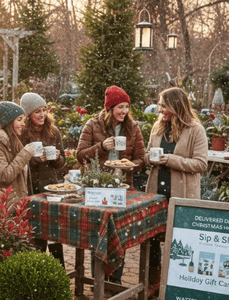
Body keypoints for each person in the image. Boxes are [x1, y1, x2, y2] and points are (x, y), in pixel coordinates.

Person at [76, 85, 146, 284]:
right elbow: (80, 156)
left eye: (126, 107)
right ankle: (98, 278)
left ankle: (114, 278)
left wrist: (129, 166)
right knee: (98, 232)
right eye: (120, 107)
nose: (124, 111)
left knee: (119, 234)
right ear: (109, 108)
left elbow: (141, 159)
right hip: (98, 188)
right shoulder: (92, 125)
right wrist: (100, 147)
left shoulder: (133, 127)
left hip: (123, 186)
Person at [144, 87, 208, 296]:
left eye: (163, 105)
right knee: (153, 238)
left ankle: (178, 282)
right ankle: (154, 281)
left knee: (180, 240)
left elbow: (201, 164)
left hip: (182, 195)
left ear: (176, 106)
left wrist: (171, 160)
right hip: (156, 194)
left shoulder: (195, 130)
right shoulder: (158, 127)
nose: (160, 109)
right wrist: (149, 159)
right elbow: (147, 154)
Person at [20, 92, 65, 267]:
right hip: (31, 189)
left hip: (51, 189)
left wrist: (56, 158)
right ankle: (37, 274)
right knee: (35, 235)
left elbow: (62, 164)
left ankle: (58, 273)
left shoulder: (53, 132)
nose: (42, 115)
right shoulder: (21, 134)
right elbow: (18, 160)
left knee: (55, 235)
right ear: (28, 114)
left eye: (44, 110)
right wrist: (34, 160)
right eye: (37, 111)